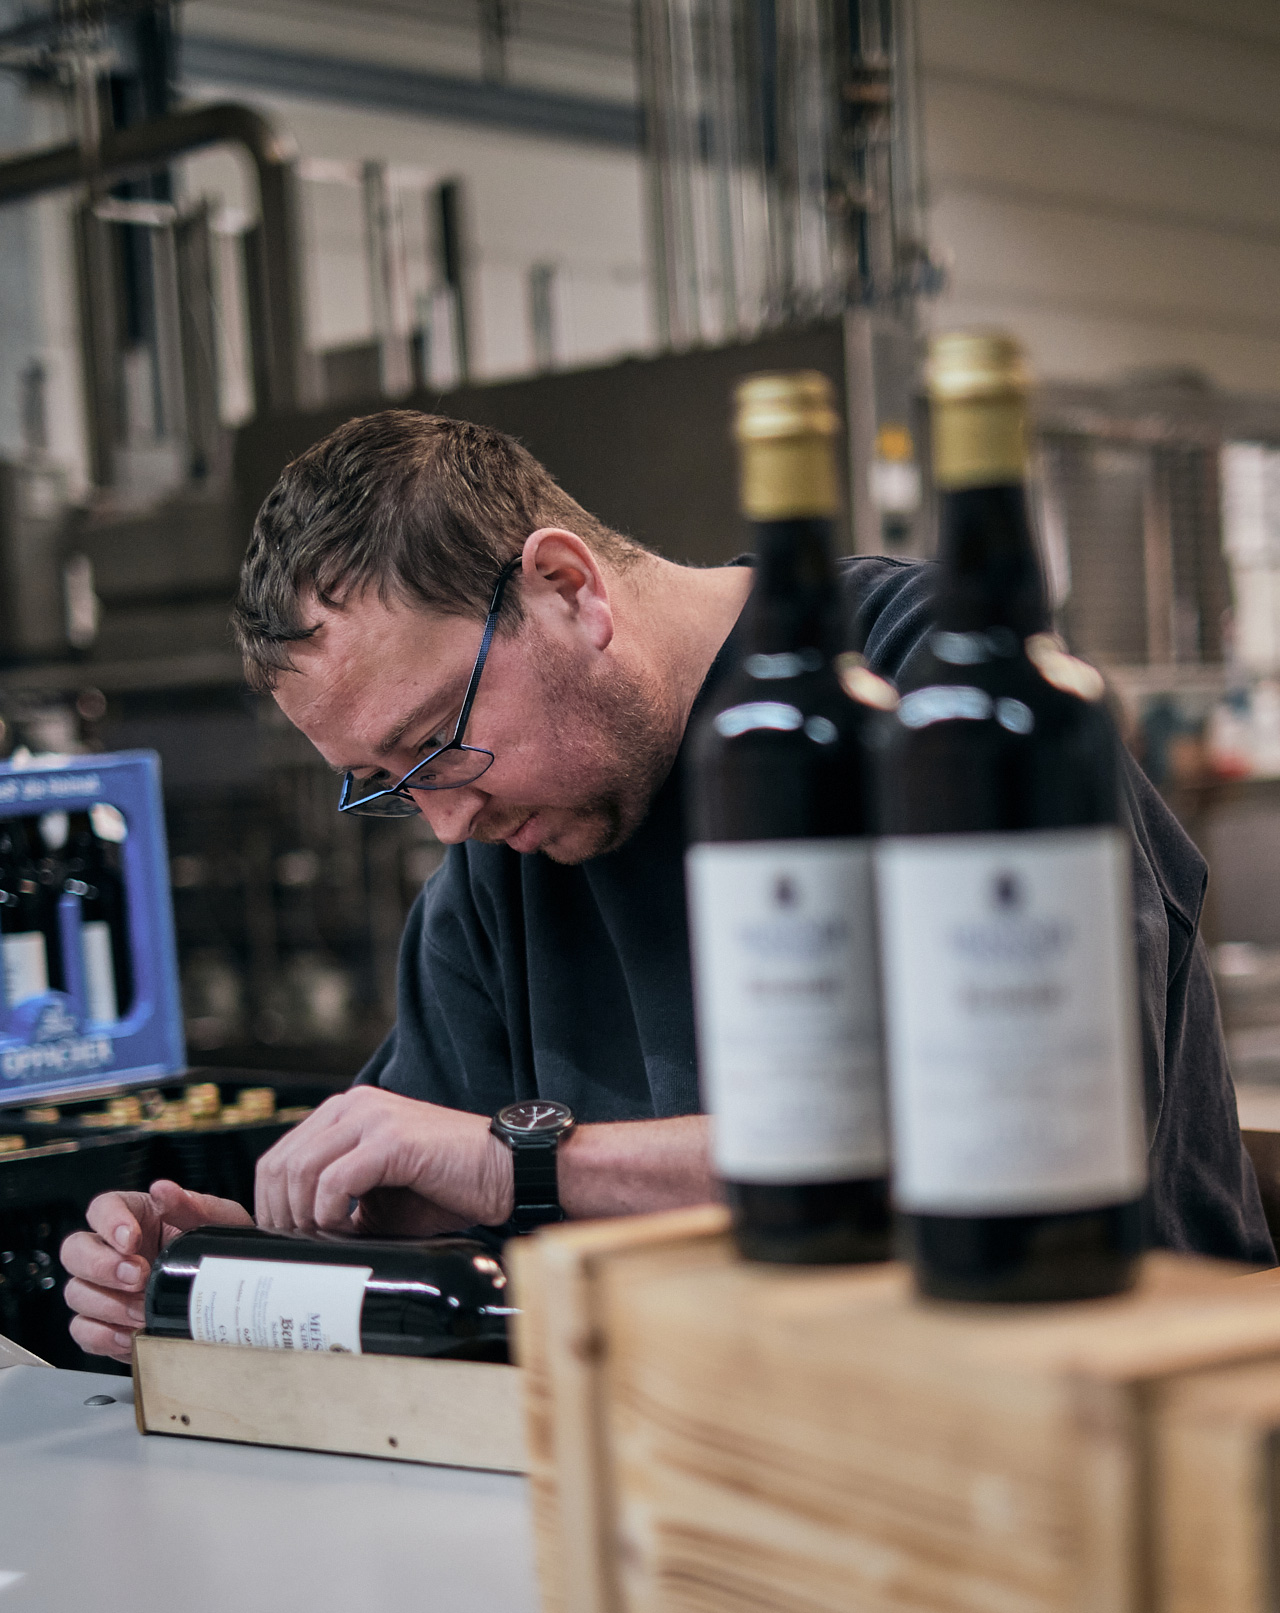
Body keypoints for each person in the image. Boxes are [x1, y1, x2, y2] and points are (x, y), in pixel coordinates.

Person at [61, 410, 1273, 1360]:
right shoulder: (498, 859)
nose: (445, 818)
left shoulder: (939, 693)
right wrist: (251, 1270)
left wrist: (526, 1163)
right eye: (387, 782)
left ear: (565, 589)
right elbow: (431, 1202)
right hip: (725, 1448)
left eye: (437, 743)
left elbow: (1013, 1132)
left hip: (1100, 1405)